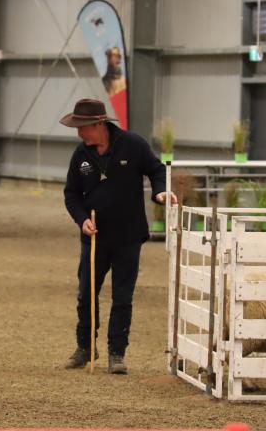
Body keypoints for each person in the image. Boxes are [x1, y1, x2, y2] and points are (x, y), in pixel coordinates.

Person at [60, 98, 176, 374]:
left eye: (83, 127)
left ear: (99, 124)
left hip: (128, 235)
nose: (79, 133)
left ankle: (117, 353)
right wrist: (82, 219)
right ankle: (86, 346)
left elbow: (157, 170)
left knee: (123, 296)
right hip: (95, 236)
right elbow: (71, 194)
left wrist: (160, 193)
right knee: (86, 294)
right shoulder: (81, 155)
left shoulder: (133, 145)